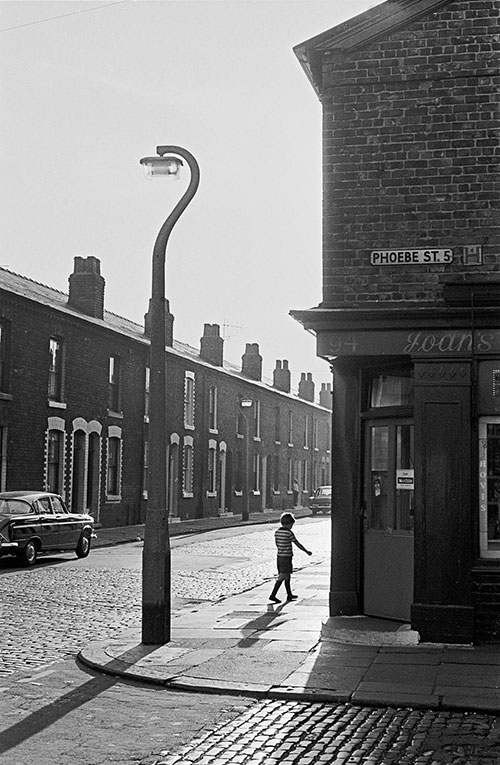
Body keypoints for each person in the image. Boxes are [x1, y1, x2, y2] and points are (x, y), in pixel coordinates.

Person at [269, 512, 312, 603]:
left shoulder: (277, 532)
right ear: (289, 524)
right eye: (291, 525)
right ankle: (273, 595)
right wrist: (306, 551)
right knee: (282, 576)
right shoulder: (289, 533)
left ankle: (289, 594)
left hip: (279, 556)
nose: (292, 526)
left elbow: (277, 544)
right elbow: (297, 543)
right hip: (286, 557)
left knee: (287, 576)